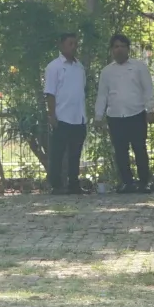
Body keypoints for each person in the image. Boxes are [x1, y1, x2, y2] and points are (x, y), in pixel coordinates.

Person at [95, 32, 154, 193]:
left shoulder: (139, 67)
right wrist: (98, 116)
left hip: (136, 114)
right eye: (116, 47)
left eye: (123, 46)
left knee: (140, 149)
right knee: (120, 151)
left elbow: (148, 89)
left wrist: (150, 109)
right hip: (115, 116)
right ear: (111, 50)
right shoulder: (106, 72)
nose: (119, 50)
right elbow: (102, 94)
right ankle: (127, 183)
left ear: (128, 49)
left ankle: (144, 182)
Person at [44, 30, 89, 194]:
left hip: (79, 117)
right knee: (57, 153)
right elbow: (50, 92)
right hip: (62, 116)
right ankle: (56, 185)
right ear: (61, 45)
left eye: (75, 44)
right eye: (70, 43)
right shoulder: (54, 67)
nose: (73, 47)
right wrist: (52, 114)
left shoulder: (79, 67)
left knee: (75, 153)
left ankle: (74, 183)